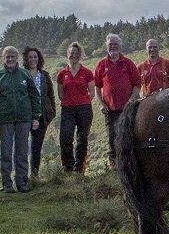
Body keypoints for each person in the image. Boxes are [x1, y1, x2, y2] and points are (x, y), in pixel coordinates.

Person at [0, 46, 42, 192]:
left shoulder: (25, 74)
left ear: (16, 58)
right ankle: (7, 184)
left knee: (22, 152)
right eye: (7, 57)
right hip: (5, 120)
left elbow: (35, 97)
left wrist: (35, 117)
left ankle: (22, 183)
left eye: (12, 56)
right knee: (6, 153)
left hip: (24, 118)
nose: (10, 59)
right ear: (3, 58)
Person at [93, 33, 140, 162]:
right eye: (110, 44)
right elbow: (97, 88)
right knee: (112, 138)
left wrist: (131, 100)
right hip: (110, 110)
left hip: (128, 109)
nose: (113, 47)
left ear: (120, 46)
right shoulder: (101, 65)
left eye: (115, 44)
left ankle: (129, 163)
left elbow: (137, 84)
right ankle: (113, 166)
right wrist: (101, 105)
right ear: (106, 46)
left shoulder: (128, 63)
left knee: (129, 137)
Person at [55, 41, 96, 173]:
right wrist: (71, 101)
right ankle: (68, 167)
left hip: (84, 109)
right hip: (67, 109)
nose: (74, 55)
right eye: (71, 53)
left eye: (76, 53)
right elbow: (61, 94)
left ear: (80, 55)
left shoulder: (87, 72)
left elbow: (92, 93)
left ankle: (79, 169)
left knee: (82, 139)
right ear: (67, 54)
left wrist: (82, 101)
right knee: (65, 138)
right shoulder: (62, 74)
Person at [24, 46, 57, 179]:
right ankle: (21, 177)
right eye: (30, 57)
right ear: (26, 59)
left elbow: (51, 95)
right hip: (25, 115)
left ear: (39, 59)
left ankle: (34, 176)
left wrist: (52, 112)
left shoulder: (44, 75)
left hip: (42, 116)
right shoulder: (22, 74)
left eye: (35, 57)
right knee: (22, 148)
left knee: (36, 148)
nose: (33, 59)